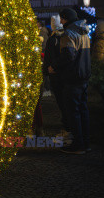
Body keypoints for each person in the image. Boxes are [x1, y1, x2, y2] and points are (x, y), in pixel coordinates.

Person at [49, 8, 91, 154]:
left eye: (61, 18)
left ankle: (77, 145)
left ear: (65, 19)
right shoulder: (84, 32)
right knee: (83, 111)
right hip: (83, 77)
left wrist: (54, 66)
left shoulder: (69, 34)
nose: (60, 21)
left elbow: (68, 55)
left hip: (72, 77)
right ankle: (85, 142)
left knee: (73, 113)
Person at [43, 15, 71, 143]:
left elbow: (49, 57)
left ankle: (67, 130)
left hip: (56, 74)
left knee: (62, 103)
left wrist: (48, 70)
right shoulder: (67, 36)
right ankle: (69, 128)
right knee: (67, 103)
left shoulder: (53, 39)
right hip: (66, 75)